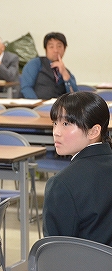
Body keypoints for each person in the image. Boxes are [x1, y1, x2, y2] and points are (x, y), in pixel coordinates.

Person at [42, 91, 112, 245]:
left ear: (94, 131)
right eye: (55, 123)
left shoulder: (62, 184)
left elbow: (55, 251)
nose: (56, 132)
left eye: (66, 124)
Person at [20, 32, 78, 99]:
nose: (55, 50)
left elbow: (74, 98)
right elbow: (26, 88)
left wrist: (65, 75)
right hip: (37, 107)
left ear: (64, 49)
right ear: (45, 49)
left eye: (59, 46)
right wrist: (38, 104)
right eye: (51, 47)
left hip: (58, 108)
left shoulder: (66, 72)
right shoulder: (35, 64)